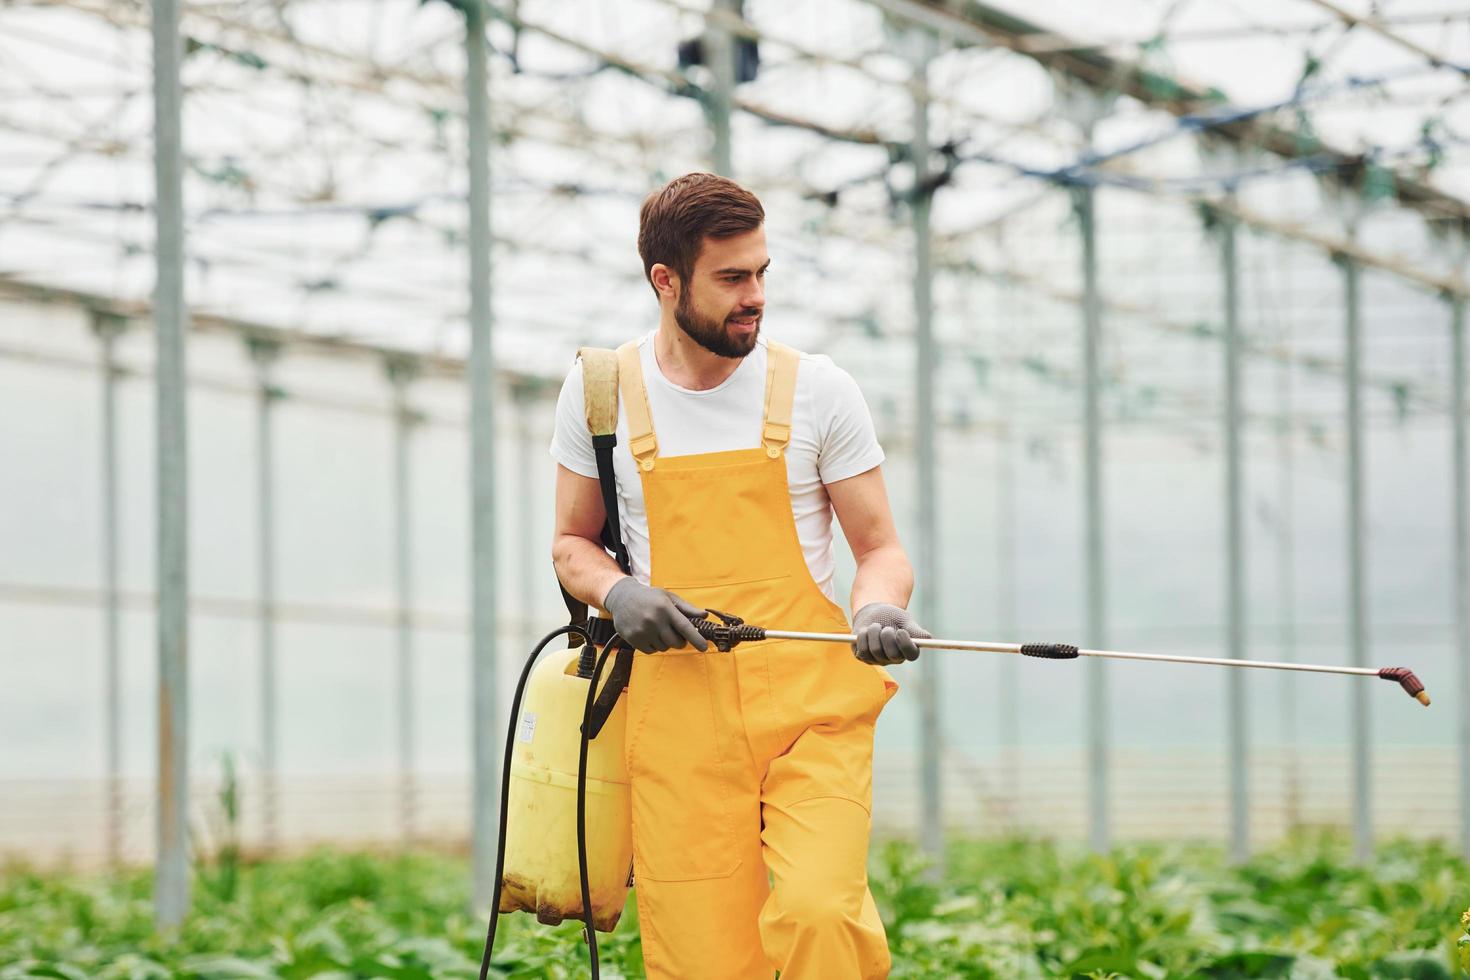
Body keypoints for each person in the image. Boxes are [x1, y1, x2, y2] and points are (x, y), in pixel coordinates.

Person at [549, 172, 929, 979]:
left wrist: (877, 609)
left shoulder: (819, 391)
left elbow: (880, 549)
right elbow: (572, 544)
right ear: (666, 280)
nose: (754, 294)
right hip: (679, 722)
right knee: (704, 961)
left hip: (809, 711)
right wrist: (620, 592)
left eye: (761, 272)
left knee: (822, 915)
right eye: (731, 278)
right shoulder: (601, 395)